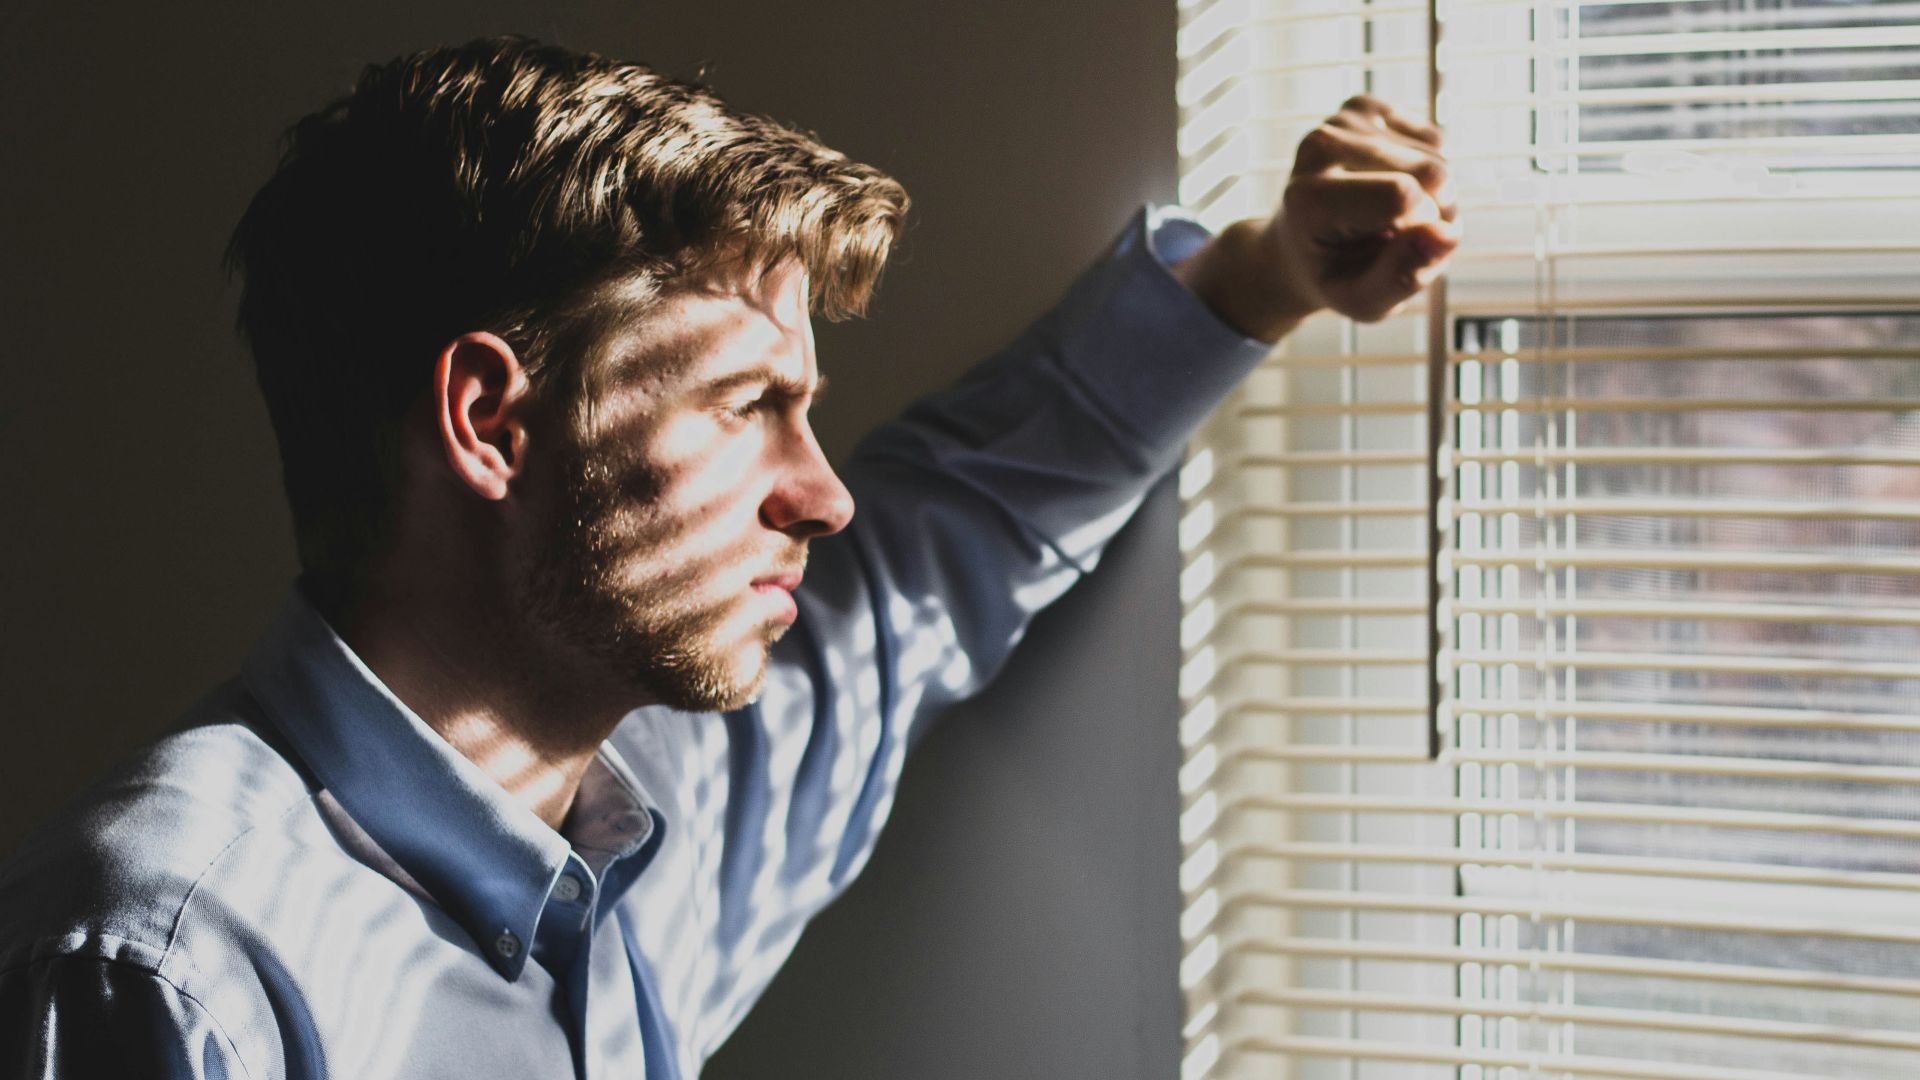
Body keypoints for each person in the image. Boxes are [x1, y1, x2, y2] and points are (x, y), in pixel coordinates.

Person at [0, 36, 1456, 1080]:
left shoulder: (660, 824)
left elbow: (944, 541)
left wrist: (1261, 276)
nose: (823, 496)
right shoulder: (163, 967)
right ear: (493, 421)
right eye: (752, 407)